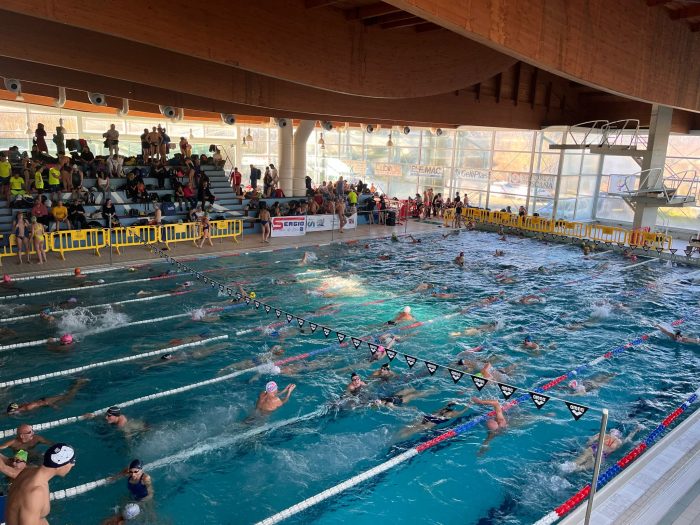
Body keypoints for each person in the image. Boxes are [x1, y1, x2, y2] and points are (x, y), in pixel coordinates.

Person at [4, 443, 76, 525]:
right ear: (59, 466)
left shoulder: (30, 471)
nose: (73, 465)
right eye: (72, 461)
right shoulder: (35, 493)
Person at [564, 427, 642, 471]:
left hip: (593, 448)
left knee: (577, 461)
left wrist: (587, 447)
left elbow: (589, 442)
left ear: (610, 432)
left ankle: (566, 467)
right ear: (619, 435)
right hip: (603, 454)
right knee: (583, 467)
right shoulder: (619, 442)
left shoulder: (601, 434)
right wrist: (636, 430)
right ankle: (576, 469)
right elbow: (629, 438)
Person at [6, 378, 88, 416]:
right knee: (66, 396)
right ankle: (77, 384)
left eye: (13, 412)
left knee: (68, 396)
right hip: (43, 401)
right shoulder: (22, 407)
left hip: (47, 401)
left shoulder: (28, 407)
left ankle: (78, 382)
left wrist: (54, 406)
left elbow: (44, 403)